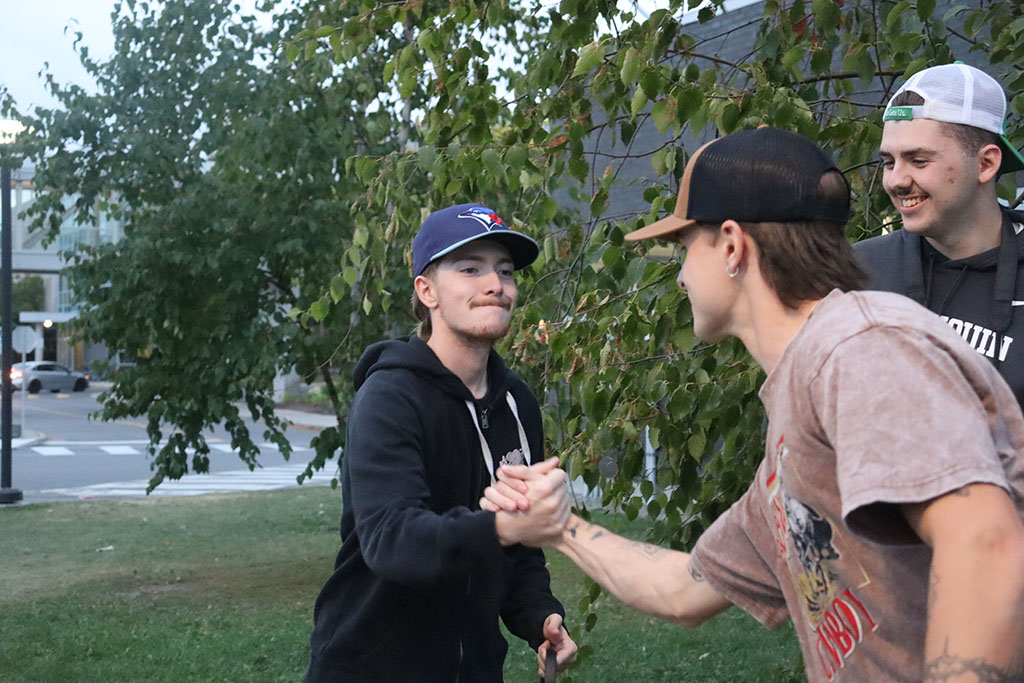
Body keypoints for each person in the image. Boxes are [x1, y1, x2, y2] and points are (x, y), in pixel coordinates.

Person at [482, 128, 1024, 682]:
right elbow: (683, 589)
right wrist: (558, 527)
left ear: (734, 246)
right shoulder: (800, 413)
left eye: (686, 248)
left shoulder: (859, 348)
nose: (682, 273)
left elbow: (985, 540)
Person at [305, 203, 577, 682]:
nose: (494, 284)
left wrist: (540, 617)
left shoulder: (517, 405)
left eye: (505, 270)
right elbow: (393, 539)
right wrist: (500, 527)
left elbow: (520, 548)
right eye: (470, 269)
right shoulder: (388, 399)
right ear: (426, 291)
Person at [856, 62, 1024, 407]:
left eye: (918, 160)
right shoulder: (856, 273)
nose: (896, 181)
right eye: (889, 162)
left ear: (986, 164)